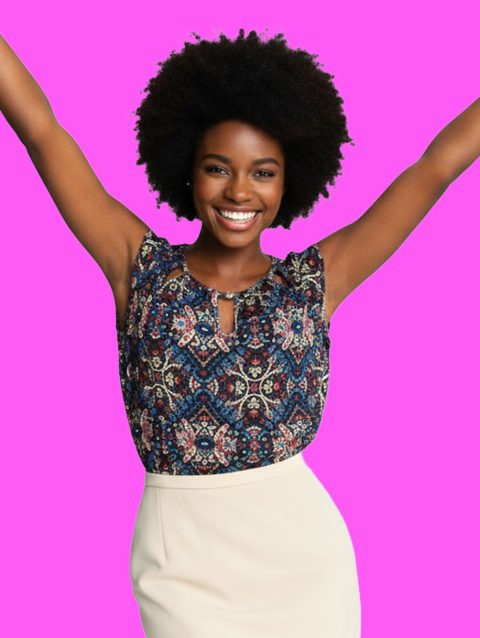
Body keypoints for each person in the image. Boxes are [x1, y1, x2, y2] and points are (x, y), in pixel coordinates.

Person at [1, 27, 478, 638]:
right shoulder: (138, 266)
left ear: (288, 183)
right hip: (179, 560)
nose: (240, 191)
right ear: (189, 171)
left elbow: (434, 169)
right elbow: (42, 130)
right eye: (218, 168)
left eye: (263, 172)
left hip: (302, 560)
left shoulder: (314, 281)